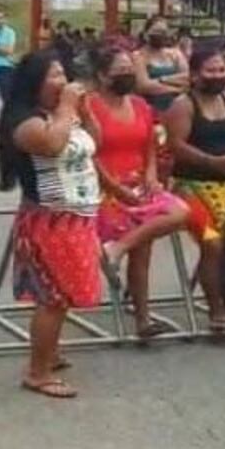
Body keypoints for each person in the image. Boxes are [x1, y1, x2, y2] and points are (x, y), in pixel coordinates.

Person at [0, 50, 101, 399]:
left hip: (77, 217)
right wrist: (68, 108)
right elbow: (53, 145)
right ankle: (37, 372)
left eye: (63, 75)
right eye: (54, 76)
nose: (63, 82)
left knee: (64, 293)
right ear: (34, 82)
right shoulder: (25, 122)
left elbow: (94, 142)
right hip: (50, 220)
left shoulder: (58, 114)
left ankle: (50, 353)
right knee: (52, 297)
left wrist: (82, 111)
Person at [86, 47, 190, 338]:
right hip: (104, 189)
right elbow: (88, 155)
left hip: (140, 184)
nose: (127, 75)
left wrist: (152, 175)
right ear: (102, 76)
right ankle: (142, 319)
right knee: (142, 244)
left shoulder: (142, 106)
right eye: (120, 70)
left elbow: (150, 149)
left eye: (130, 69)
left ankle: (115, 252)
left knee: (178, 213)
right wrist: (115, 188)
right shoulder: (90, 106)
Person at [165, 44, 225, 332]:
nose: (217, 75)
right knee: (212, 242)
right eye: (210, 71)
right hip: (190, 186)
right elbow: (177, 145)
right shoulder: (184, 105)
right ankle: (215, 307)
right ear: (194, 75)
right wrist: (211, 161)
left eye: (221, 70)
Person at [132, 16, 188, 114]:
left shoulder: (175, 54)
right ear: (146, 34)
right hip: (150, 108)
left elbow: (186, 78)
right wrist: (176, 88)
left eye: (164, 31)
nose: (160, 35)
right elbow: (143, 86)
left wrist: (160, 80)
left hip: (177, 109)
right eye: (157, 31)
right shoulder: (138, 56)